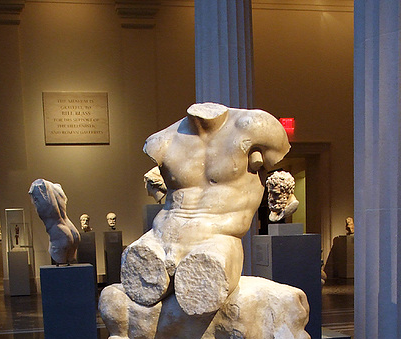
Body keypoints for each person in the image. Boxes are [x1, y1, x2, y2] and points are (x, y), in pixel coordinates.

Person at [121, 102, 290, 315]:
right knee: (136, 283)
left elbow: (276, 170)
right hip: (160, 235)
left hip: (218, 238)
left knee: (205, 287)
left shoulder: (255, 127)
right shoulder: (162, 140)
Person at [29, 179, 80, 264]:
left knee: (61, 272)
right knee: (71, 266)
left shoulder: (37, 186)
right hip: (72, 231)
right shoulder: (56, 187)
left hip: (59, 233)